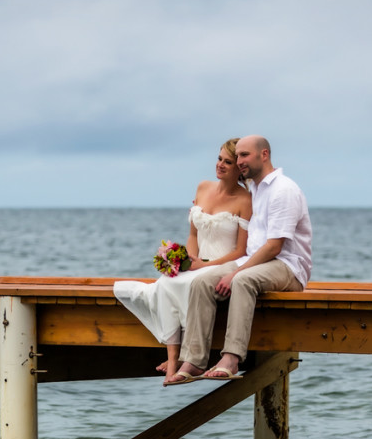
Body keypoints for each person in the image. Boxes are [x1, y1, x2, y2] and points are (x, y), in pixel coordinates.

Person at [165, 136, 312, 385]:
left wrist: (235, 272)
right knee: (202, 282)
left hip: (287, 265)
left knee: (242, 280)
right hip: (254, 260)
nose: (240, 161)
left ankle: (231, 358)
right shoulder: (255, 188)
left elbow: (275, 247)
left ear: (264, 155)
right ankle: (194, 360)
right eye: (239, 156)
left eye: (245, 155)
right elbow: (229, 195)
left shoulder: (283, 190)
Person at [113, 139, 252, 384]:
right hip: (199, 261)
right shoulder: (202, 187)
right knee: (168, 282)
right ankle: (173, 356)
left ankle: (186, 358)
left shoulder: (245, 200)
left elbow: (241, 250)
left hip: (223, 263)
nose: (220, 165)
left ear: (239, 168)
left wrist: (205, 266)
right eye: (219, 158)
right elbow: (193, 234)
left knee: (190, 285)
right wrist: (187, 260)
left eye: (227, 162)